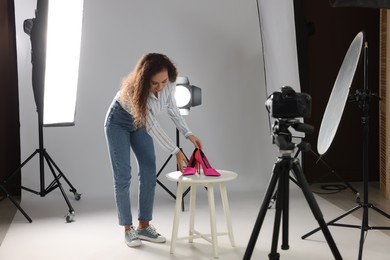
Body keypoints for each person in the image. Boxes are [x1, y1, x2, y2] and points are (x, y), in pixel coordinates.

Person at [104, 53, 202, 248]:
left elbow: (173, 110)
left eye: (163, 81)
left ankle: (144, 225)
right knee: (123, 176)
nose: (160, 87)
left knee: (149, 170)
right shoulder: (134, 92)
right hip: (119, 123)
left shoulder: (169, 84)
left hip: (140, 123)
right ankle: (128, 229)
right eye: (154, 83)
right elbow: (152, 127)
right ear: (145, 80)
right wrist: (176, 151)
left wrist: (188, 134)